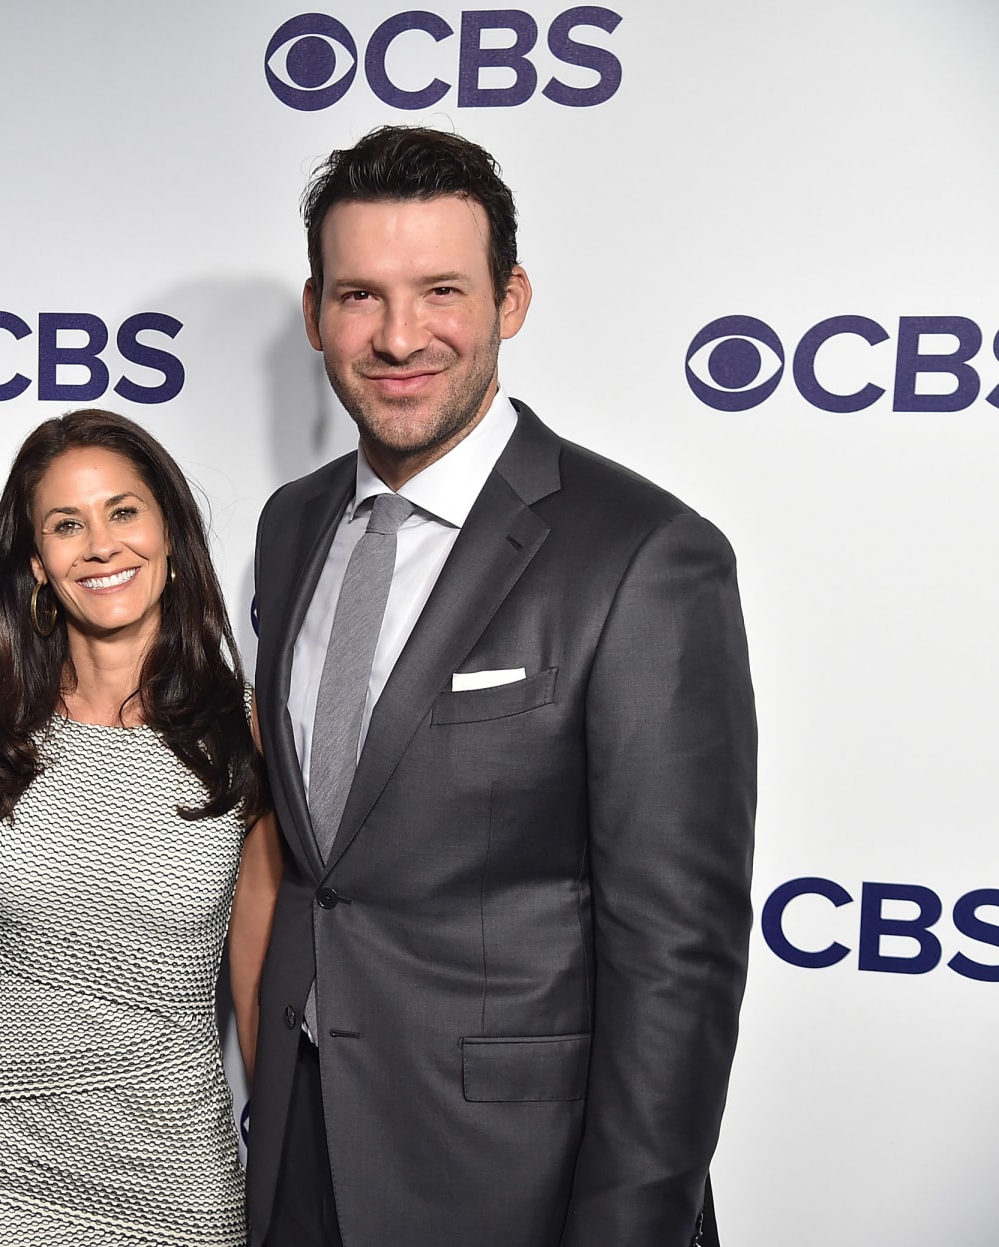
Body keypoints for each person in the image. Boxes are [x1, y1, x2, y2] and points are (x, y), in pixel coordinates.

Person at [246, 125, 757, 1247]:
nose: (399, 337)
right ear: (316, 311)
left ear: (509, 300)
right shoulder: (292, 524)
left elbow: (676, 955)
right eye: (360, 295)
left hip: (518, 1181)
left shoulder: (643, 554)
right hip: (301, 1152)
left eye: (441, 291)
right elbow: (320, 868)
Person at [0, 409, 284, 1245]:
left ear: (169, 531)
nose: (102, 545)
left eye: (123, 511)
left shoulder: (244, 730)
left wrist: (294, 1178)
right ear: (38, 563)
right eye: (67, 524)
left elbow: (257, 985)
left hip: (178, 1166)